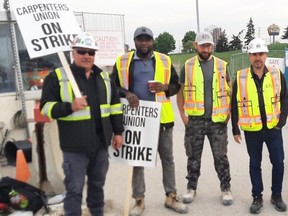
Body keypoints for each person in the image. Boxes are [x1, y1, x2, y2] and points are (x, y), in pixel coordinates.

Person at [40, 32, 124, 216]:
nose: (87, 55)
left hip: (100, 144)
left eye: (91, 52)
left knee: (97, 187)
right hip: (74, 148)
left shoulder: (104, 77)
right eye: (82, 51)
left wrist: (118, 133)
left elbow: (116, 107)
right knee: (74, 191)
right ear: (73, 53)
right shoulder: (57, 77)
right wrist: (70, 107)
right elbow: (45, 108)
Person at [112, 26, 187, 215]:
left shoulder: (164, 60)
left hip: (161, 119)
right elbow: (112, 87)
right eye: (140, 39)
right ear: (135, 41)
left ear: (152, 42)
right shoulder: (122, 61)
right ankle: (139, 200)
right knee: (137, 160)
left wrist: (164, 87)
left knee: (167, 158)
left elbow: (176, 86)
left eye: (147, 40)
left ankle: (171, 196)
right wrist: (126, 93)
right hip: (135, 119)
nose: (144, 43)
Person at [231, 38, 288, 214]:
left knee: (278, 163)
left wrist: (282, 120)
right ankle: (257, 196)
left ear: (266, 55)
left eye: (261, 54)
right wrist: (235, 128)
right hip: (252, 131)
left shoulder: (276, 74)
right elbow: (234, 104)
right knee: (255, 164)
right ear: (249, 56)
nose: (258, 58)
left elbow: (285, 97)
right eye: (255, 54)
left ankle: (276, 195)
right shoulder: (240, 77)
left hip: (273, 129)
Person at [176, 31, 233, 206]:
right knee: (193, 156)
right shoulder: (188, 66)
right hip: (195, 121)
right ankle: (191, 188)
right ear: (196, 46)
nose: (206, 49)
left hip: (217, 121)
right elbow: (180, 91)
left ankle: (225, 188)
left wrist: (228, 114)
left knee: (221, 157)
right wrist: (183, 116)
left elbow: (230, 91)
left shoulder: (222, 65)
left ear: (212, 46)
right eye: (202, 46)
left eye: (209, 46)